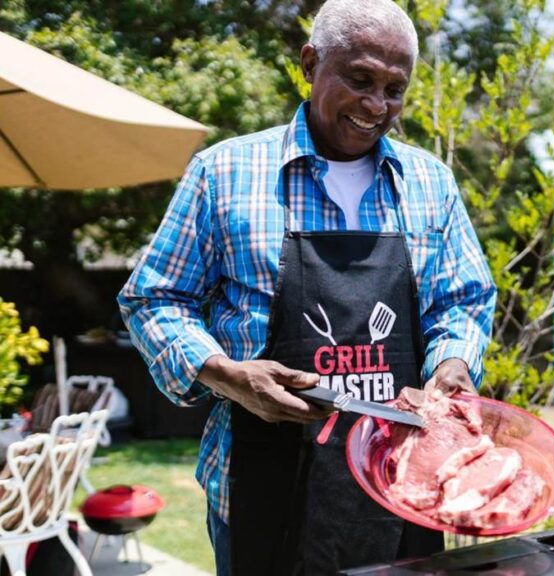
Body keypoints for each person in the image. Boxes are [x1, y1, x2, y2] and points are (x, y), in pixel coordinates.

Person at [117, 0, 496, 573]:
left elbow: (461, 299)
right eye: (360, 78)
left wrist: (452, 365)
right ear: (310, 62)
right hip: (261, 483)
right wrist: (229, 376)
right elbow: (154, 297)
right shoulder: (225, 172)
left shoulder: (430, 183)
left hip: (399, 487)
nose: (376, 105)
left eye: (395, 88)